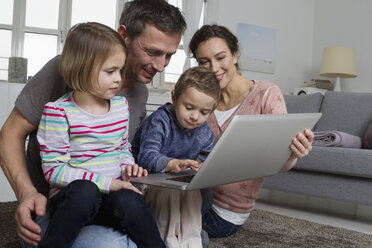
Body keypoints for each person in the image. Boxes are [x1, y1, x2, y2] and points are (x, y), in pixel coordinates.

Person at [0, 0, 186, 247]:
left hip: (109, 199)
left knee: (183, 232)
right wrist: (26, 194)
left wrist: (143, 168)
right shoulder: (65, 70)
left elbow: (120, 151)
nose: (161, 66)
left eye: (170, 56)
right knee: (113, 242)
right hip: (61, 206)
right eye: (152, 52)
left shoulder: (137, 96)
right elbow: (10, 135)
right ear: (123, 35)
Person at [36, 22, 164, 248]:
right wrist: (110, 184)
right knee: (86, 191)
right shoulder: (58, 112)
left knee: (131, 201)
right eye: (110, 71)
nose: (118, 78)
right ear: (81, 67)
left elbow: (122, 148)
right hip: (73, 203)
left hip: (109, 200)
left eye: (120, 70)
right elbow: (54, 171)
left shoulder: (119, 106)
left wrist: (128, 166)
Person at [188, 24, 315, 238]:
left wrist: (292, 153)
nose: (214, 68)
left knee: (154, 226)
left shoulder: (267, 94)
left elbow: (278, 162)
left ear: (235, 54)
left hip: (225, 212)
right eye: (204, 62)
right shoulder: (199, 102)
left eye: (221, 58)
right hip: (193, 196)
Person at [131, 66, 221, 247]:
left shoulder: (204, 133)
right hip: (147, 182)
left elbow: (206, 162)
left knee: (194, 191)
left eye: (204, 112)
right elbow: (146, 157)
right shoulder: (160, 120)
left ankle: (190, 240)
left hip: (182, 187)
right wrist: (172, 164)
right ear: (174, 97)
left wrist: (204, 169)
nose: (195, 117)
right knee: (171, 188)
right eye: (188, 107)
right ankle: (167, 240)